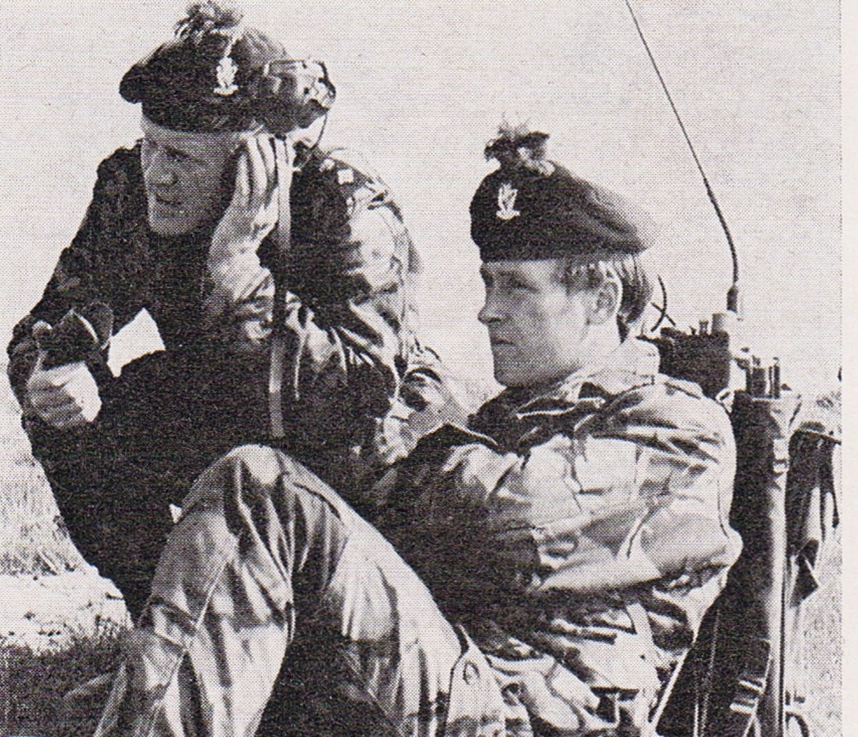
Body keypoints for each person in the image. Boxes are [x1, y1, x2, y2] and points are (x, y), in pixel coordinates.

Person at [93, 125, 742, 737]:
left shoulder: (679, 430)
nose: (488, 311)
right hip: (453, 685)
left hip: (520, 715)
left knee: (258, 487)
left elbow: (502, 528)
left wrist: (388, 424)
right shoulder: (507, 418)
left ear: (602, 300)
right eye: (488, 283)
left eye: (517, 288)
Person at [7, 2, 463, 619]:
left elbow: (360, 396)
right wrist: (55, 370)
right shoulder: (132, 189)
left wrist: (238, 272)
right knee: (81, 419)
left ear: (257, 161)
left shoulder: (341, 205)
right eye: (150, 146)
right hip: (232, 401)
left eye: (184, 157)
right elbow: (46, 324)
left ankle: (337, 633)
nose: (157, 176)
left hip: (368, 447)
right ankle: (171, 619)